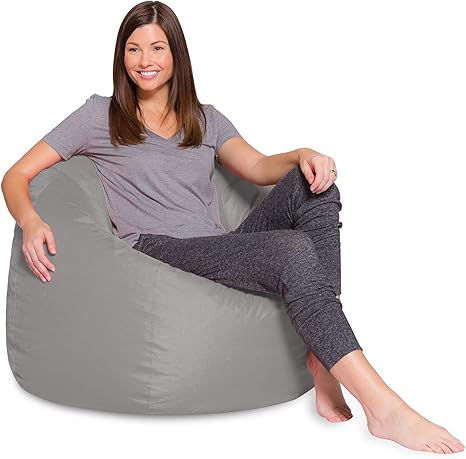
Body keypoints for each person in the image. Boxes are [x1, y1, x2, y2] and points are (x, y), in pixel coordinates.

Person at [1, 1, 463, 454]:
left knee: (316, 188)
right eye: (133, 49)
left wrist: (302, 154)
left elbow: (259, 167)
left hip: (215, 246)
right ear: (121, 57)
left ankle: (325, 359)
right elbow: (16, 175)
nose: (145, 61)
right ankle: (382, 406)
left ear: (176, 54)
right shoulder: (98, 116)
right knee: (292, 250)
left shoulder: (204, 118)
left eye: (158, 48)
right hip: (156, 250)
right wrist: (31, 218)